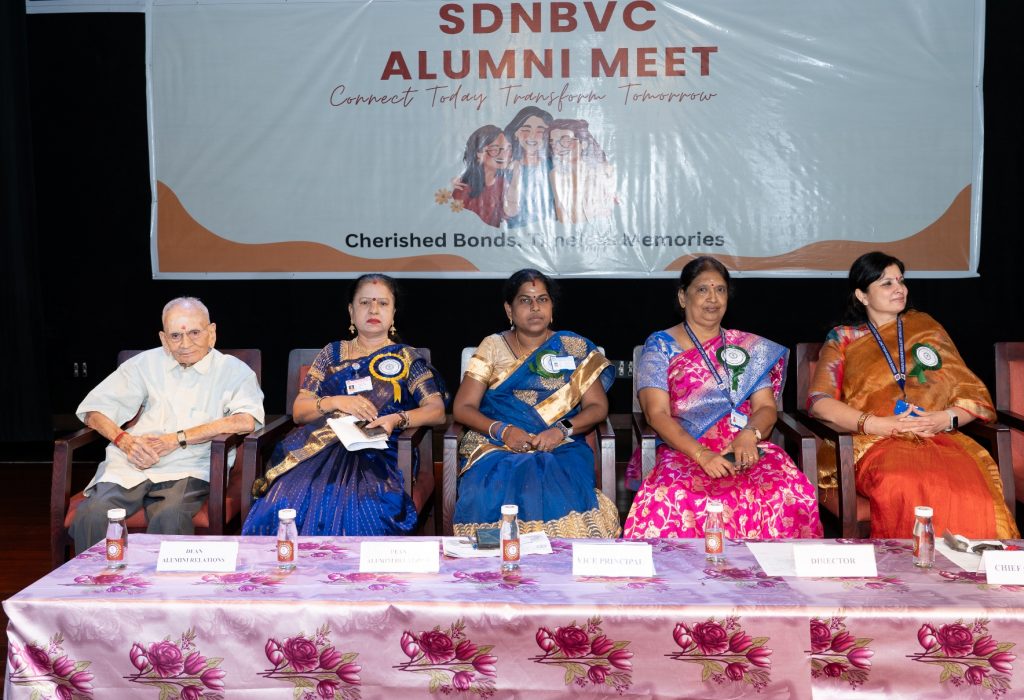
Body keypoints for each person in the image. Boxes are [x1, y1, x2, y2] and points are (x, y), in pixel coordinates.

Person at [808, 252, 1018, 539]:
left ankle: (970, 565)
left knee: (971, 489)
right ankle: (910, 563)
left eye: (901, 281)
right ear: (862, 295)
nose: (900, 289)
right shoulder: (843, 338)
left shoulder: (926, 328)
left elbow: (973, 393)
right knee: (902, 482)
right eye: (887, 283)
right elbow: (820, 403)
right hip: (875, 442)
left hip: (938, 437)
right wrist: (877, 424)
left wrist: (946, 418)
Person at [624, 257, 822, 540]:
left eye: (720, 289)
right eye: (702, 289)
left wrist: (749, 435)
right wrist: (702, 455)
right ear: (683, 297)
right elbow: (656, 414)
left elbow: (766, 407)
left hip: (746, 447)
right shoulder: (660, 345)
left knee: (784, 490)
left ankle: (766, 570)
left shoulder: (746, 348)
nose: (712, 298)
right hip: (685, 449)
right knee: (676, 496)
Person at [243, 274, 447, 536]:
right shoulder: (332, 353)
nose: (373, 309)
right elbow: (300, 411)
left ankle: (356, 563)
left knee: (367, 504)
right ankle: (292, 560)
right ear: (351, 311)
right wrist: (337, 401)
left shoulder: (406, 357)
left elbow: (436, 410)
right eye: (365, 302)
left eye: (383, 303)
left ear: (393, 313)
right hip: (321, 447)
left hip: (381, 451)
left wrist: (396, 419)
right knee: (285, 497)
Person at [70, 297, 265, 553]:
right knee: (93, 514)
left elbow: (246, 420)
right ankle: (100, 578)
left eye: (194, 333)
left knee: (170, 516)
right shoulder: (144, 364)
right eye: (175, 336)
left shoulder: (233, 371)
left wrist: (177, 438)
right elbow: (93, 411)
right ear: (163, 339)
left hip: (189, 467)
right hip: (132, 463)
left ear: (212, 332)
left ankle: (165, 581)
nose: (185, 344)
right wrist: (124, 441)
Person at [452, 268, 620, 538]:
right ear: (509, 309)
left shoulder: (573, 347)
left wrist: (561, 430)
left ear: (552, 307)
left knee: (555, 482)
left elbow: (598, 407)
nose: (535, 307)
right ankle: (495, 555)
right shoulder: (493, 346)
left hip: (560, 444)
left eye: (542, 299)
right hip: (496, 444)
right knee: (488, 486)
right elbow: (463, 407)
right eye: (525, 300)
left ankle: (557, 556)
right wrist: (504, 431)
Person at [547, 118, 617, 224]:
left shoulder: (603, 170)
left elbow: (608, 210)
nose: (557, 147)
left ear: (583, 143)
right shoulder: (555, 174)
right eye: (553, 142)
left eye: (565, 141)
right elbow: (564, 219)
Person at [452, 125, 513, 228]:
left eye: (508, 149)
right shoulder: (463, 188)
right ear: (478, 153)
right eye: (495, 149)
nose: (504, 155)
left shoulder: (505, 183)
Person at [503, 107, 555, 228]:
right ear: (516, 133)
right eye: (526, 130)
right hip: (514, 234)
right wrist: (516, 172)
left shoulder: (553, 167)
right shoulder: (505, 168)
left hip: (551, 232)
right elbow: (510, 211)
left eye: (540, 131)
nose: (532, 136)